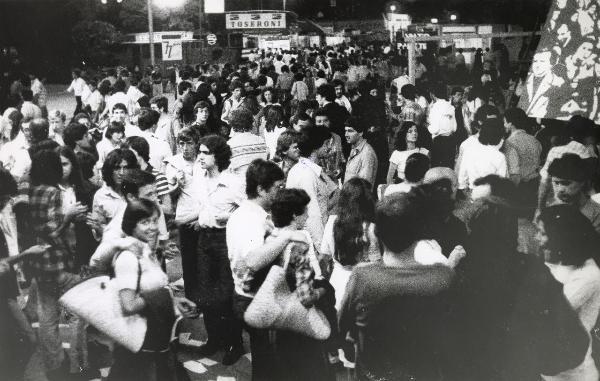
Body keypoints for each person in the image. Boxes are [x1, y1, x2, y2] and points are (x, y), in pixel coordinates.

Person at [339, 189, 456, 380]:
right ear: (420, 233)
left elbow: (343, 325)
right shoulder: (442, 276)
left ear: (376, 234)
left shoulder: (362, 277)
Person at [227, 159, 302, 380]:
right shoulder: (249, 219)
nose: (282, 192)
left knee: (266, 363)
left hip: (254, 297)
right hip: (255, 300)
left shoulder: (254, 215)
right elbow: (253, 260)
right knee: (270, 366)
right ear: (261, 189)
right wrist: (287, 235)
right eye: (278, 187)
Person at [107, 199, 197, 381]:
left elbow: (152, 290)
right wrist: (164, 296)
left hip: (157, 337)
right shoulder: (128, 258)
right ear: (131, 225)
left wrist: (175, 301)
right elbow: (129, 304)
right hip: (141, 345)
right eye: (144, 222)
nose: (153, 227)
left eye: (155, 220)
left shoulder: (145, 251)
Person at [29, 149, 89, 380]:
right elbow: (54, 231)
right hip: (57, 263)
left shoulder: (34, 191)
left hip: (40, 263)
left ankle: (54, 365)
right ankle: (78, 366)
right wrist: (70, 216)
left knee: (48, 317)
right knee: (76, 313)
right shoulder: (54, 192)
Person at [268, 188, 336, 381]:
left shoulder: (271, 237)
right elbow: (306, 297)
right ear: (293, 215)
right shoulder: (298, 245)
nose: (307, 216)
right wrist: (324, 288)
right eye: (304, 211)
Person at [192, 134, 245, 365]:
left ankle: (235, 343)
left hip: (225, 241)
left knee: (226, 294)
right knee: (206, 292)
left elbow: (249, 211)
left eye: (206, 153)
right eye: (199, 152)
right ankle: (214, 338)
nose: (200, 157)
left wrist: (229, 216)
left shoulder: (234, 182)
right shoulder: (199, 177)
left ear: (218, 156)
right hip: (204, 239)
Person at [320, 178, 380, 311]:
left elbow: (324, 257)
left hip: (337, 282)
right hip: (365, 284)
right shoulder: (371, 228)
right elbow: (376, 263)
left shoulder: (331, 223)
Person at [287, 126, 339, 247]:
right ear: (316, 146)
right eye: (326, 143)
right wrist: (322, 248)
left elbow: (335, 192)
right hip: (311, 239)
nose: (329, 147)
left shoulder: (307, 169)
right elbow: (313, 215)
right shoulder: (307, 174)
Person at [90, 148, 139, 238]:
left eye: (126, 168)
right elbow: (99, 229)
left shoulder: (137, 191)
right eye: (117, 168)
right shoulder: (101, 196)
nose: (121, 173)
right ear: (109, 170)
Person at [546, 153, 600, 232]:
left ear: (582, 182)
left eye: (566, 183)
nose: (560, 189)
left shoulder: (597, 214)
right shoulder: (549, 208)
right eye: (556, 183)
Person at [458, 118, 508, 196]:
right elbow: (502, 181)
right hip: (491, 195)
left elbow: (462, 174)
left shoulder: (469, 150)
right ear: (499, 136)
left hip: (473, 192)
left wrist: (462, 186)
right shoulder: (499, 156)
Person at [227, 108, 268, 177]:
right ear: (251, 122)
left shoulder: (229, 145)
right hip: (260, 182)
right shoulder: (260, 140)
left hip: (240, 183)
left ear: (232, 124)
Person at [344, 116, 378, 189]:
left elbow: (365, 186)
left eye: (350, 131)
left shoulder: (367, 153)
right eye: (345, 131)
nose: (346, 135)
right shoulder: (354, 148)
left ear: (360, 133)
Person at [136, 108, 171, 173]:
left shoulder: (132, 141)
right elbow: (169, 169)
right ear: (154, 126)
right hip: (158, 180)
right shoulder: (162, 144)